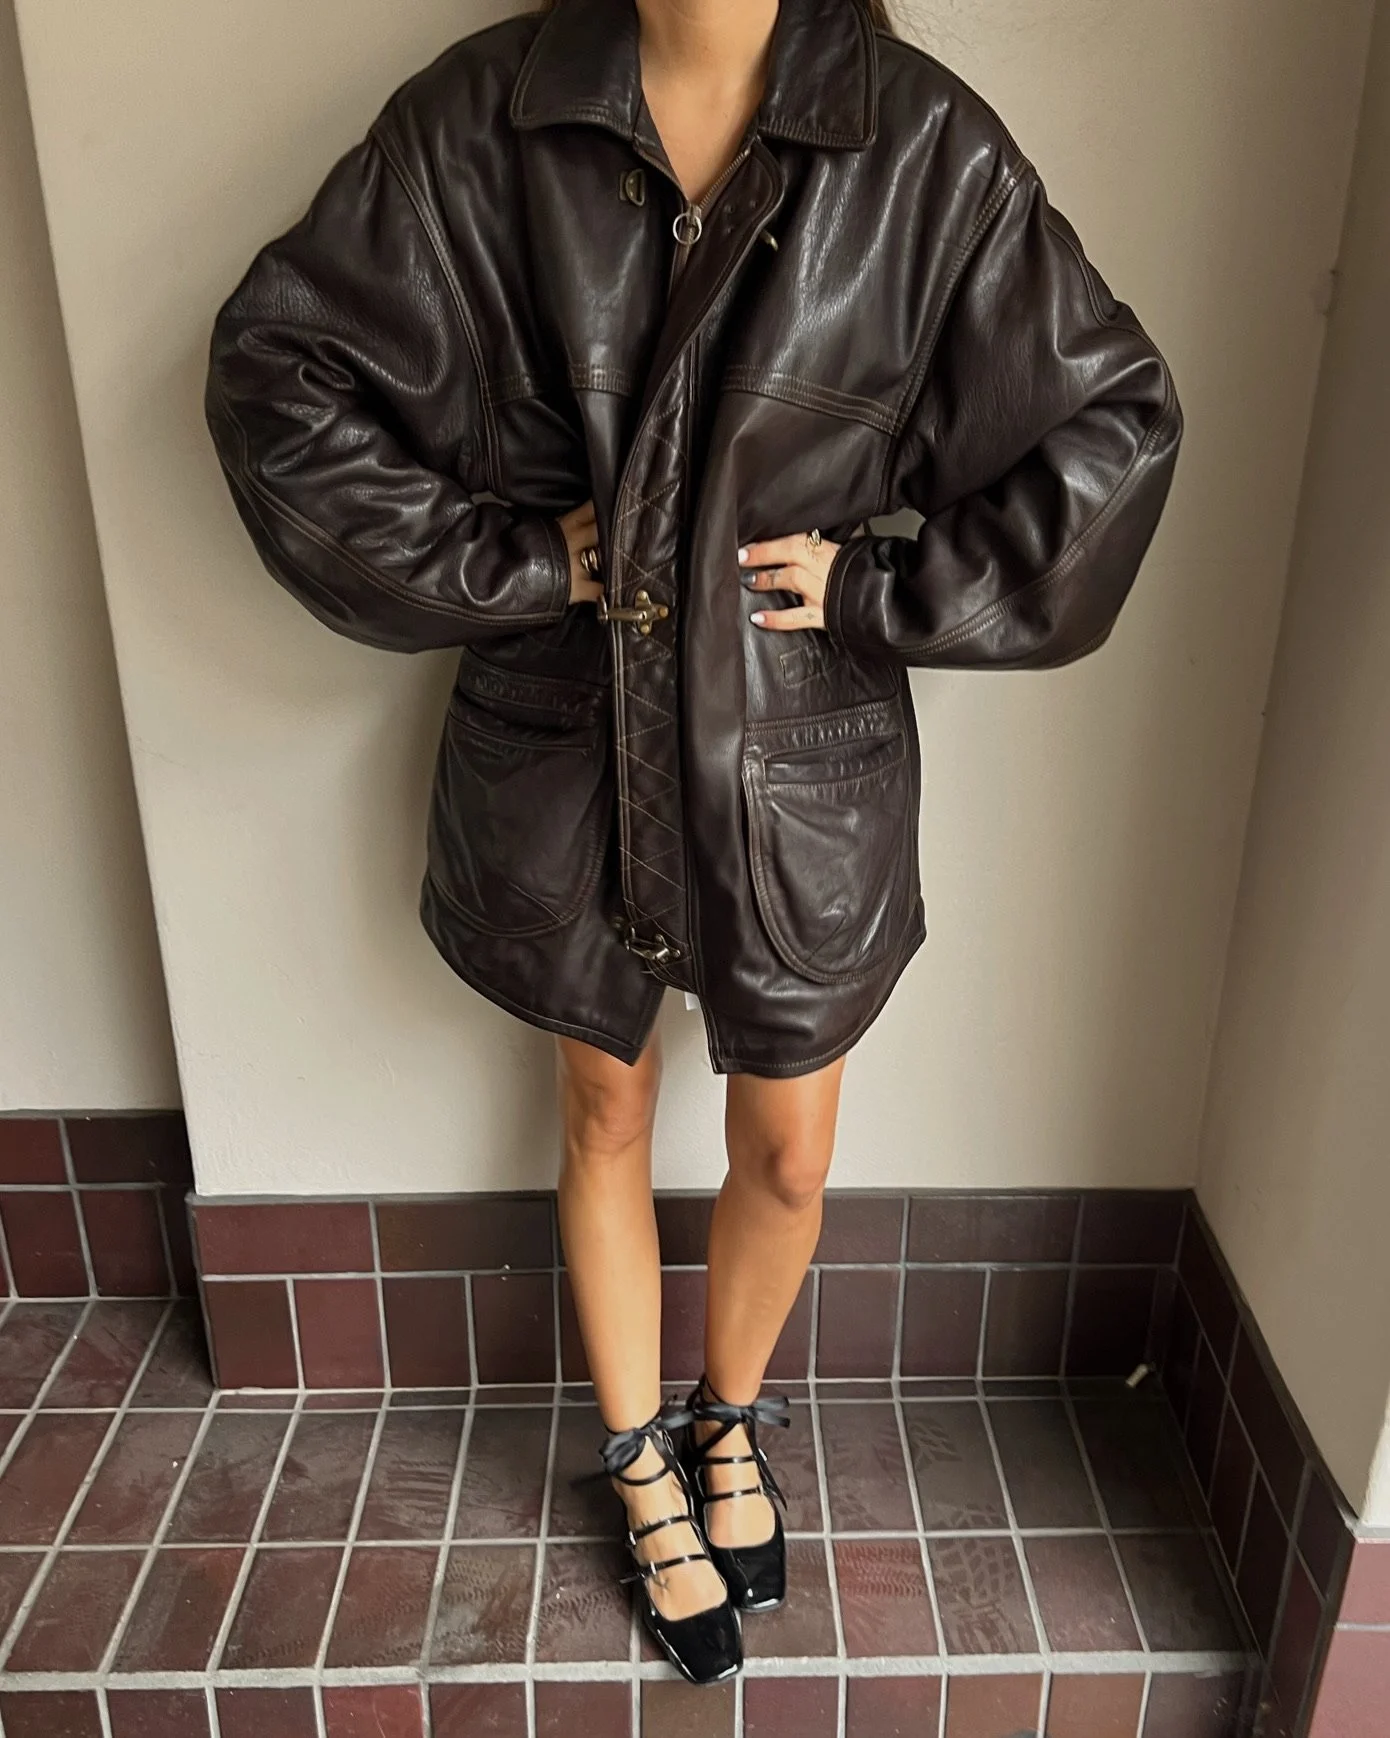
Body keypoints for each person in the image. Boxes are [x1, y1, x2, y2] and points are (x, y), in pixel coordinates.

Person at [204, 0, 1182, 1686]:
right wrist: (523, 562)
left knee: (786, 1146)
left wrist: (882, 587)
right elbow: (274, 375)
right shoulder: (485, 116)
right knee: (599, 1106)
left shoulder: (917, 144)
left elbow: (1113, 425)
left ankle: (731, 1413)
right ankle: (636, 1452)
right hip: (565, 728)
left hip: (792, 745)